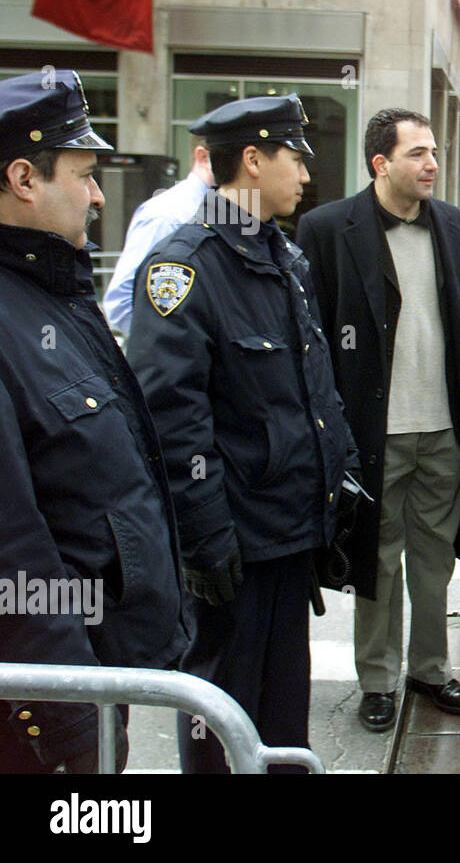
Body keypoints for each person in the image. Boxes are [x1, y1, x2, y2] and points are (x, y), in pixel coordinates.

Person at [127, 94, 357, 772]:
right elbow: (170, 417)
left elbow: (311, 383)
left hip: (287, 529)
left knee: (284, 712)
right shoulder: (184, 266)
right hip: (233, 541)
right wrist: (205, 538)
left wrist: (337, 478)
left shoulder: (279, 254)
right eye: (294, 158)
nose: (306, 177)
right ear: (251, 161)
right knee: (221, 715)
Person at [0, 71, 186, 773]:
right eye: (84, 173)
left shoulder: (53, 293)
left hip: (95, 676)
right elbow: (12, 548)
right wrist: (66, 718)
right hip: (45, 710)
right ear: (24, 177)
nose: (101, 193)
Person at [296, 108, 460, 733]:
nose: (432, 164)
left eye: (434, 152)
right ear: (380, 164)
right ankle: (376, 680)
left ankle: (429, 669)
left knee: (434, 560)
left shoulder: (457, 229)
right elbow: (313, 336)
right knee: (376, 558)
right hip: (371, 431)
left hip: (443, 429)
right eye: (418, 154)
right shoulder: (326, 229)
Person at [102, 139, 213, 335]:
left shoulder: (223, 209)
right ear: (203, 157)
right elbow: (121, 304)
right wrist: (171, 349)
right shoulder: (170, 214)